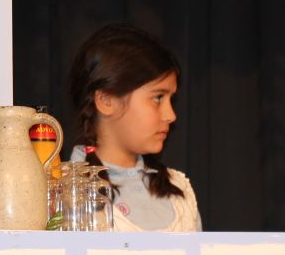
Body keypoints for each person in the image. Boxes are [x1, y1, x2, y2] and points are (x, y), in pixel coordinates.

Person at [67, 23, 202, 231]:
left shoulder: (179, 191)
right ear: (106, 100)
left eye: (171, 100)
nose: (171, 115)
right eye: (158, 97)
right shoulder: (64, 192)